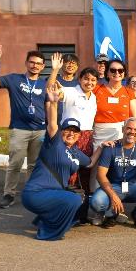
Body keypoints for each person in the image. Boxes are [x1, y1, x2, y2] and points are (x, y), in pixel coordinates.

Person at [21, 84, 107, 240]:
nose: (71, 134)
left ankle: (43, 220)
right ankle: (48, 231)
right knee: (74, 199)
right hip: (35, 193)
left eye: (75, 131)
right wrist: (54, 103)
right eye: (68, 130)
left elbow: (89, 163)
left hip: (52, 193)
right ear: (62, 131)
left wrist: (101, 147)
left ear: (79, 135)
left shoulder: (76, 152)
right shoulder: (54, 143)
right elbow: (52, 124)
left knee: (76, 198)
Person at [0, 44, 48, 209]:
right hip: (19, 129)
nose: (35, 66)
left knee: (34, 165)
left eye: (38, 63)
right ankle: (9, 194)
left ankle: (31, 193)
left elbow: (51, 105)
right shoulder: (14, 79)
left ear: (43, 66)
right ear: (26, 63)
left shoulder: (44, 84)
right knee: (15, 163)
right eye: (32, 62)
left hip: (40, 130)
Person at [89, 117, 136, 229]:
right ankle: (112, 214)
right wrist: (113, 196)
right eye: (129, 128)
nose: (132, 132)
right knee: (96, 202)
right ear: (123, 129)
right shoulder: (111, 147)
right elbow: (100, 175)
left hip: (133, 185)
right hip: (113, 186)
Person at [91, 59, 136, 189]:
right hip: (100, 132)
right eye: (113, 70)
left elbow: (135, 117)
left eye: (120, 70)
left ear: (124, 73)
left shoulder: (129, 92)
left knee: (121, 164)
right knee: (99, 164)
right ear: (107, 73)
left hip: (121, 132)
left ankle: (122, 193)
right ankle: (97, 194)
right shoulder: (96, 89)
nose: (117, 73)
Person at [57, 63, 99, 201]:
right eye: (86, 79)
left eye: (93, 80)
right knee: (70, 168)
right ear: (80, 79)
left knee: (85, 168)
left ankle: (84, 199)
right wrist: (55, 70)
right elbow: (55, 93)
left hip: (87, 137)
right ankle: (67, 198)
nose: (89, 82)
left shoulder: (93, 97)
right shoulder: (70, 91)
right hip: (71, 135)